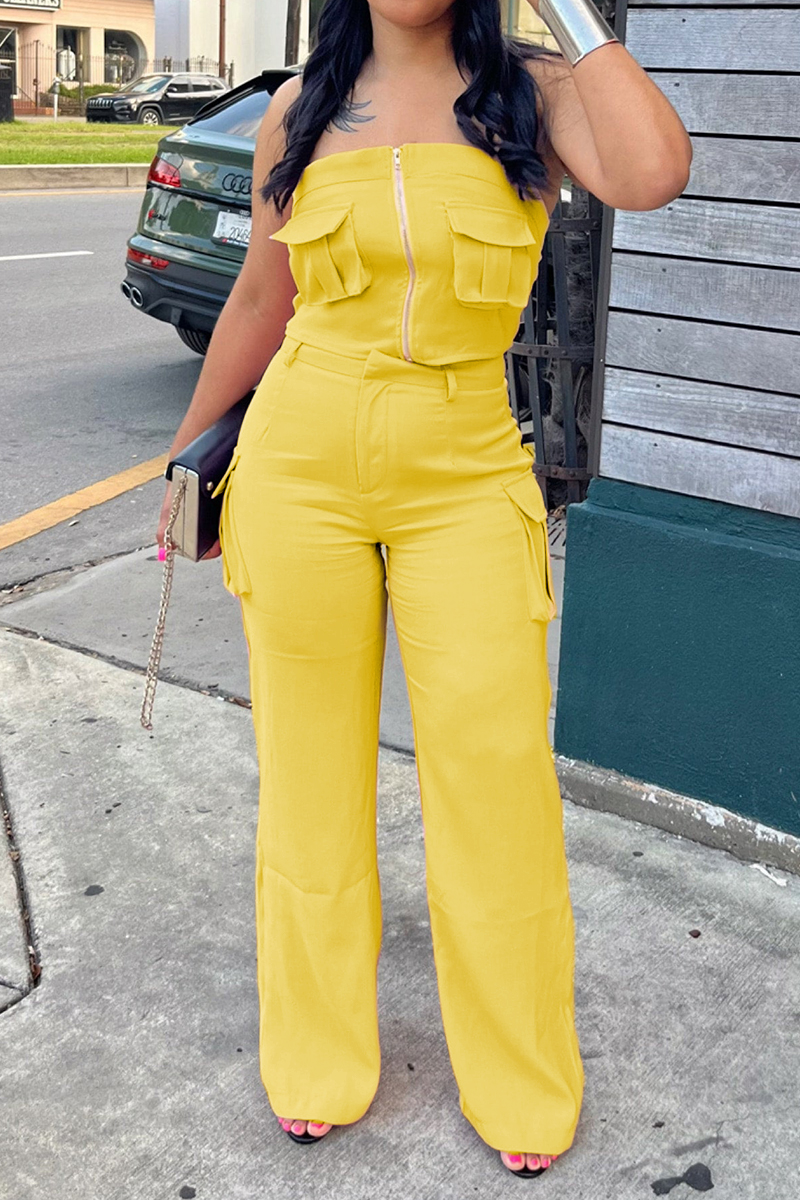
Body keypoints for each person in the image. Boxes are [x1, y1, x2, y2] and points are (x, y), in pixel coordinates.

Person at [157, 0, 691, 1179]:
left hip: (464, 470)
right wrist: (188, 464)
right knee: (307, 775)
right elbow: (260, 300)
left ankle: (519, 1077)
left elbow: (653, 171)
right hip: (299, 464)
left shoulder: (534, 93)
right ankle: (315, 1053)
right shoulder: (299, 109)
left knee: (494, 781)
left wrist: (565, 9)